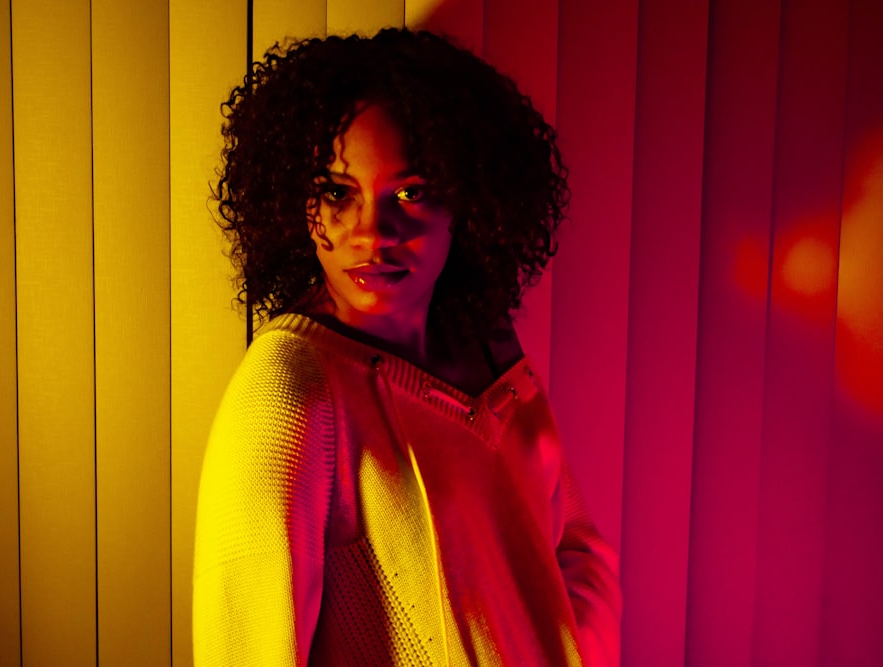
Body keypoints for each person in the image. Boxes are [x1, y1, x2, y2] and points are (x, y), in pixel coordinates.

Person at [193, 28, 620, 666]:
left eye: (410, 193)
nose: (372, 233)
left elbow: (577, 549)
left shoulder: (490, 345)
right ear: (294, 200)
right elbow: (247, 648)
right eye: (338, 192)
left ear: (467, 202)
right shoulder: (288, 388)